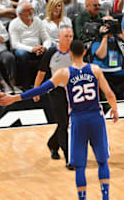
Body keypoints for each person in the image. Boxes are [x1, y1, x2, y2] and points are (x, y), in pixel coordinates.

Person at [0, 39, 118, 200]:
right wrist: (114, 109)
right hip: (96, 118)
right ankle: (105, 197)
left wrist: (14, 98)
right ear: (85, 53)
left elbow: (40, 89)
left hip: (78, 120)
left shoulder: (63, 73)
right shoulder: (95, 69)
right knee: (102, 161)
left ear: (71, 54)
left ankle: (82, 198)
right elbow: (109, 93)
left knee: (80, 166)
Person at [33, 25, 74, 169]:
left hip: (73, 91)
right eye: (66, 37)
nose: (69, 39)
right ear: (59, 37)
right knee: (63, 123)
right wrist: (36, 90)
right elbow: (41, 72)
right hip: (56, 91)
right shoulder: (51, 52)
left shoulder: (76, 51)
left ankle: (53, 143)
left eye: (71, 36)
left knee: (67, 122)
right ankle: (69, 158)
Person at [91, 16, 124, 99]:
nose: (111, 25)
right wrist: (105, 37)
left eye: (112, 23)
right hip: (107, 77)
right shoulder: (98, 40)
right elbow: (101, 55)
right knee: (115, 92)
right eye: (108, 23)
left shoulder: (119, 38)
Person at [9, 1, 51, 89]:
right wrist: (32, 49)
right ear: (20, 13)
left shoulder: (38, 21)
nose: (31, 12)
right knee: (21, 54)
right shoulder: (14, 24)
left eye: (32, 9)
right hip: (24, 50)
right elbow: (15, 44)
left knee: (50, 51)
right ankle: (26, 84)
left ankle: (46, 83)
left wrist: (44, 47)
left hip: (38, 49)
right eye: (28, 10)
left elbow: (47, 39)